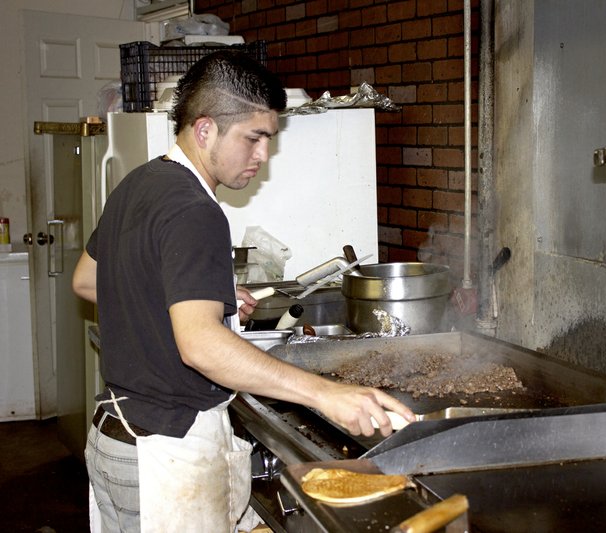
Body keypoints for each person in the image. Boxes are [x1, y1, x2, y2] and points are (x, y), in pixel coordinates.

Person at [72, 50, 414, 532]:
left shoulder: (140, 183)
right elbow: (200, 345)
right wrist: (326, 394)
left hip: (114, 443)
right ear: (205, 129)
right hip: (163, 457)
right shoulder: (196, 210)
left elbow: (88, 278)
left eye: (268, 140)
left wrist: (203, 288)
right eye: (253, 138)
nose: (262, 156)